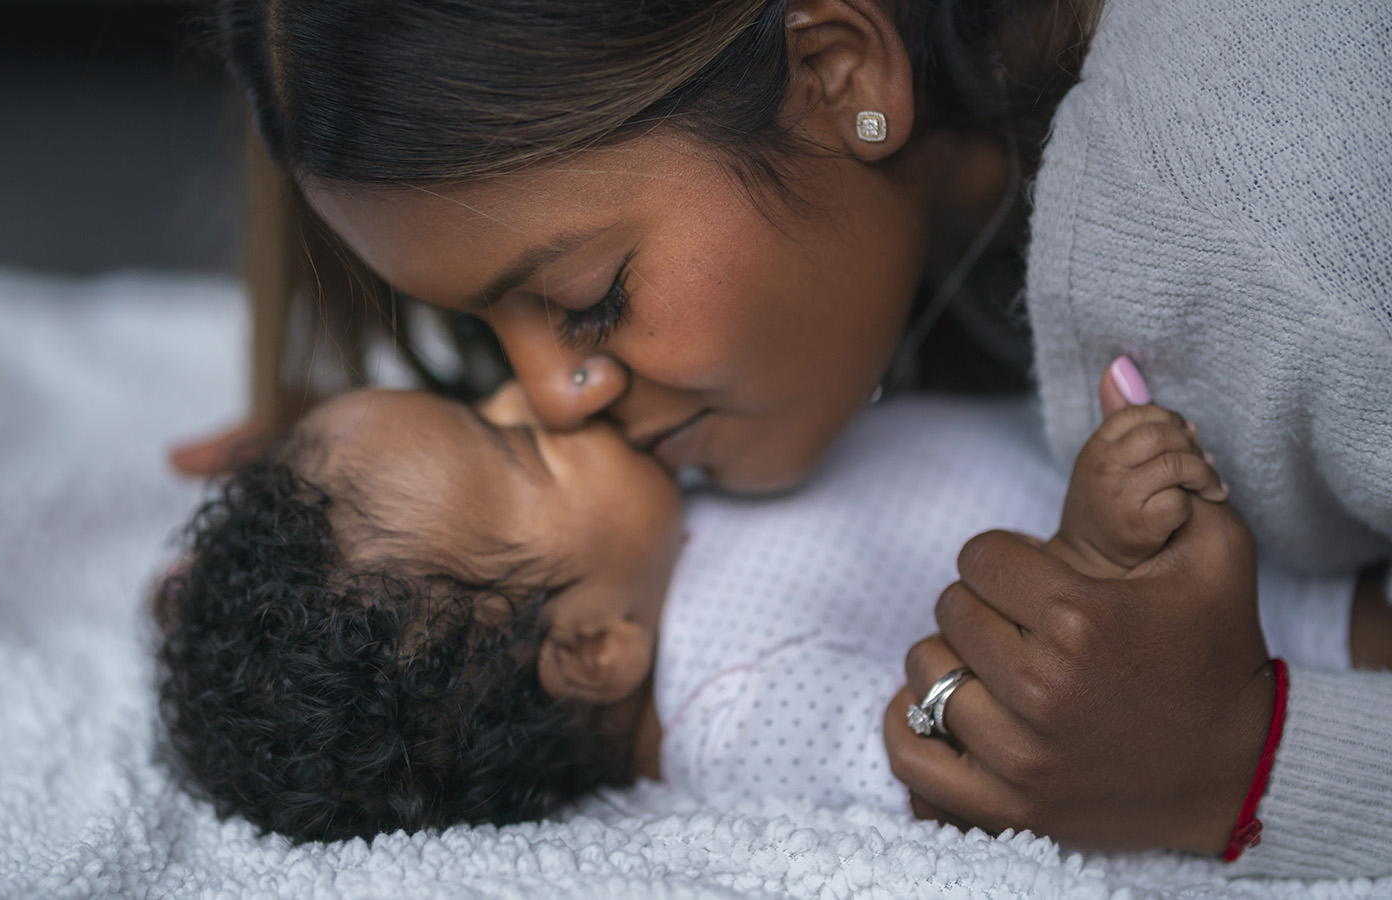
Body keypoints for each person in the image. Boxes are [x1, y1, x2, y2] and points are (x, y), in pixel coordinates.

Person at [172, 0, 1392, 875]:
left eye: (588, 296)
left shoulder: (1294, 253)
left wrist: (1247, 761)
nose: (551, 398)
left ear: (839, 76)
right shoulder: (865, 182)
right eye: (483, 343)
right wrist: (310, 616)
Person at [161, 381, 1349, 844]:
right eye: (515, 445)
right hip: (1260, 622)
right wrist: (1086, 555)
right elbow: (986, 759)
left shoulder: (657, 535)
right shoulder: (736, 707)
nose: (530, 391)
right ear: (588, 649)